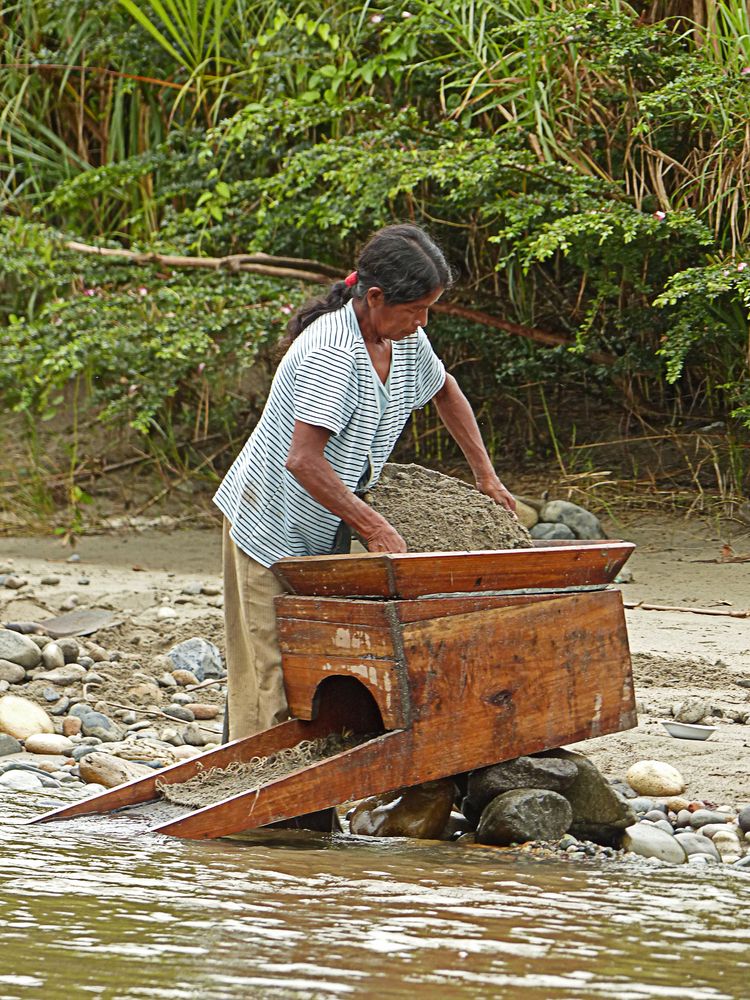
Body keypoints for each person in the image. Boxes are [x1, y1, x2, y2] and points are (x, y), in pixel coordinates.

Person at [214, 223, 516, 741]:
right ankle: (255, 810)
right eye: (414, 310)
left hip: (322, 523)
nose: (422, 322)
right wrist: (374, 528)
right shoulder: (334, 353)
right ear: (374, 296)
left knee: (315, 668)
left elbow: (446, 390)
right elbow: (304, 461)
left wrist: (486, 477)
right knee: (272, 678)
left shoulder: (403, 338)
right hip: (266, 524)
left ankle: (305, 805)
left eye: (428, 310)